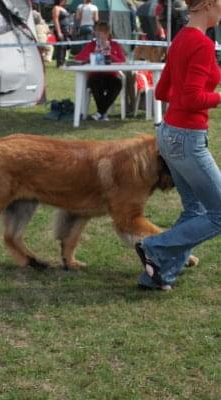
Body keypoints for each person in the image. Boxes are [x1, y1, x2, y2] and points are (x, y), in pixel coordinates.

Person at [135, 0, 221, 290]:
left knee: (195, 209)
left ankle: (157, 274)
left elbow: (162, 91)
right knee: (219, 212)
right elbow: (192, 97)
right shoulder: (202, 44)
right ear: (208, 5)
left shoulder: (180, 39)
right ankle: (155, 248)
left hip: (170, 133)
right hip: (187, 137)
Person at [75, 21, 126, 121]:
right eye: (98, 32)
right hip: (96, 74)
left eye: (102, 32)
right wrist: (92, 55)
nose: (100, 34)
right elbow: (79, 58)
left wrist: (110, 55)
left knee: (117, 84)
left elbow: (122, 61)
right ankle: (102, 113)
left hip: (111, 74)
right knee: (96, 83)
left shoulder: (114, 45)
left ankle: (100, 113)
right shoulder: (91, 45)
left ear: (108, 33)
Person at [52, 0, 71, 67]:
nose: (65, 1)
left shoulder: (64, 8)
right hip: (61, 30)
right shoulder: (56, 8)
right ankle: (60, 63)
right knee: (60, 46)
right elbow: (55, 20)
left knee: (65, 46)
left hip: (66, 30)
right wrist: (59, 32)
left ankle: (63, 62)